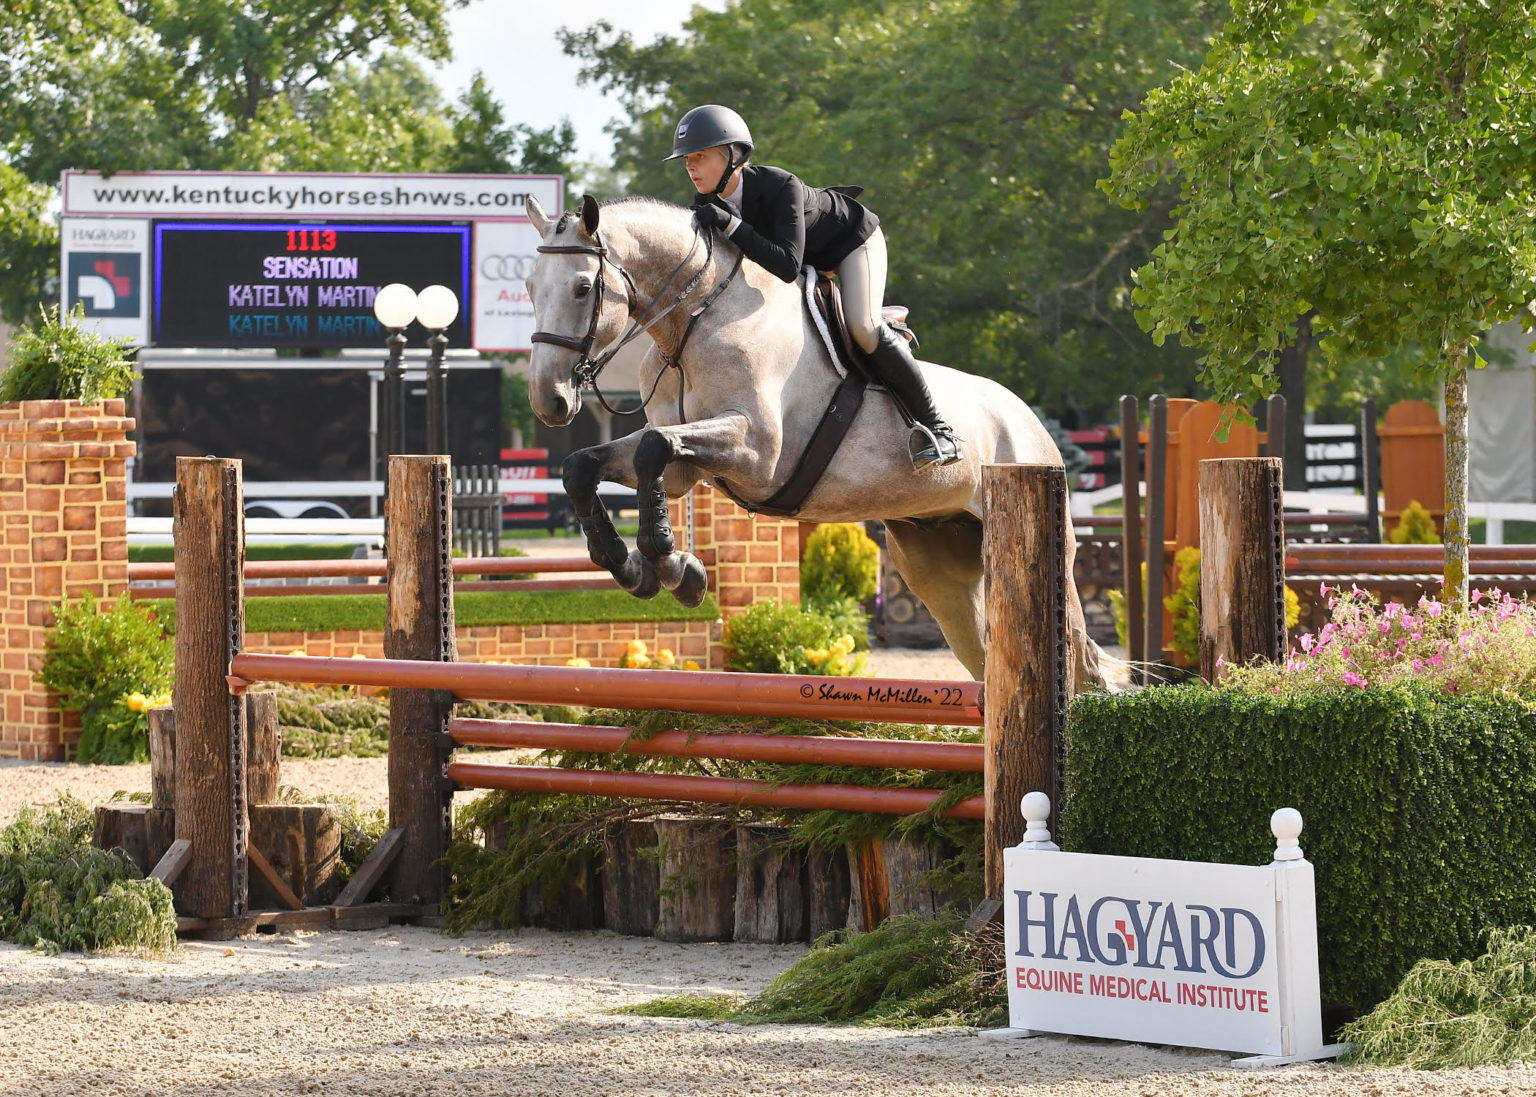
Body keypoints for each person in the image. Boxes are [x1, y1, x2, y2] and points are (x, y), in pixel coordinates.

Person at [666, 104, 962, 471]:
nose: (690, 166)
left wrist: (730, 225)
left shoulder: (780, 186)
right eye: (686, 159)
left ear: (734, 156)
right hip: (807, 262)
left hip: (852, 244)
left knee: (863, 327)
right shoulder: (707, 205)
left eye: (699, 156)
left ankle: (939, 429)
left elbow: (787, 266)